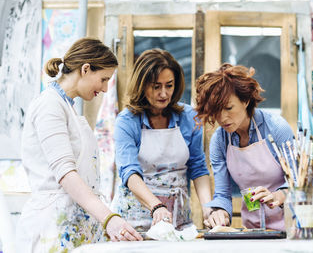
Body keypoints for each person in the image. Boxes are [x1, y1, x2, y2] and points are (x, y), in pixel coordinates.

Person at [17, 37, 143, 253]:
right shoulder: (49, 106)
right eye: (103, 79)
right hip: (53, 227)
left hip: (72, 224)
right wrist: (109, 219)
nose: (104, 88)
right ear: (86, 69)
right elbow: (66, 173)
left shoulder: (67, 106)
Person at [111, 49, 212, 231]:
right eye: (156, 86)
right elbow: (129, 171)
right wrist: (156, 206)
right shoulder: (127, 121)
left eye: (169, 85)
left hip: (178, 221)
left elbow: (198, 167)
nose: (164, 94)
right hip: (134, 222)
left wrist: (208, 209)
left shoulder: (189, 117)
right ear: (142, 85)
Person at [195, 63, 295, 231]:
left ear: (246, 100)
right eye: (216, 110)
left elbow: (300, 183)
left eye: (228, 108)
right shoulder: (220, 141)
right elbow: (222, 195)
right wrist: (219, 213)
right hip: (253, 229)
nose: (222, 117)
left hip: (291, 226)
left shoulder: (276, 128)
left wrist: (276, 195)